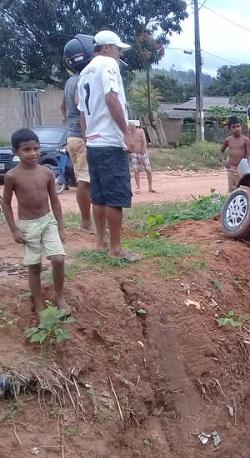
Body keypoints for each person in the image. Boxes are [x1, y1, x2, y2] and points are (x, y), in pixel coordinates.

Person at [78, 29, 139, 261]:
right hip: (109, 142)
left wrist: (87, 139)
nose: (119, 53)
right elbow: (111, 97)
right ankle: (116, 248)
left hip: (94, 142)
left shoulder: (85, 71)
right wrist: (126, 133)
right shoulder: (108, 65)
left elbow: (82, 111)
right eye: (117, 48)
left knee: (100, 195)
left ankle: (101, 241)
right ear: (105, 48)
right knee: (115, 196)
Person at [1, 129, 68, 317]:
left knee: (58, 259)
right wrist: (14, 229)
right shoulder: (12, 176)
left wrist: (60, 227)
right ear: (15, 152)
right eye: (26, 150)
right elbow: (5, 202)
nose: (32, 153)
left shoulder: (46, 172)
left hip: (48, 222)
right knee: (34, 266)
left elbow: (54, 200)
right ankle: (39, 304)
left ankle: (60, 296)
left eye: (36, 148)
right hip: (28, 226)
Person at [60, 33, 95, 232]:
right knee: (85, 181)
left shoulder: (69, 80)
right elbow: (78, 105)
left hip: (71, 136)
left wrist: (69, 124)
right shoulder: (83, 79)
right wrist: (86, 135)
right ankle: (86, 222)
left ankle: (88, 221)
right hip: (82, 137)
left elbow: (63, 108)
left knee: (85, 179)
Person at [220, 116, 250, 192]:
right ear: (230, 129)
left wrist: (248, 168)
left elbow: (249, 155)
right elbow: (221, 151)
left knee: (242, 188)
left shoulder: (245, 140)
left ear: (241, 127)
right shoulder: (228, 140)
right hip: (231, 168)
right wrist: (223, 160)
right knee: (232, 189)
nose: (236, 128)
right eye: (234, 127)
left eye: (238, 126)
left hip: (242, 168)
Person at [128, 120, 156, 193]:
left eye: (131, 127)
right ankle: (138, 187)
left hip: (143, 153)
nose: (131, 129)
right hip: (134, 153)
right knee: (136, 170)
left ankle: (150, 187)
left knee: (148, 170)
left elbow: (144, 141)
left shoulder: (140, 131)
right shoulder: (129, 134)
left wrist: (143, 149)